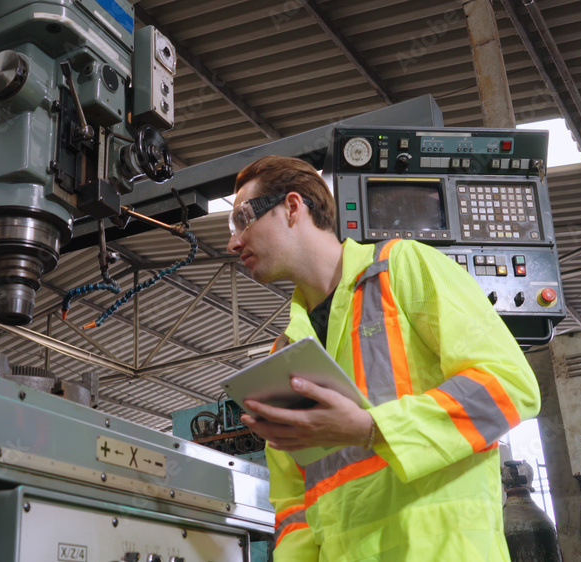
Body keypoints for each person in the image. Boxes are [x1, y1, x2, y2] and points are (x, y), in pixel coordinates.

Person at [226, 155, 541, 561]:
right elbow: (292, 505)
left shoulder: (403, 267)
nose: (234, 242)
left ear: (292, 207)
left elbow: (510, 385)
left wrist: (371, 427)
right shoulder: (284, 355)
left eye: (243, 219)